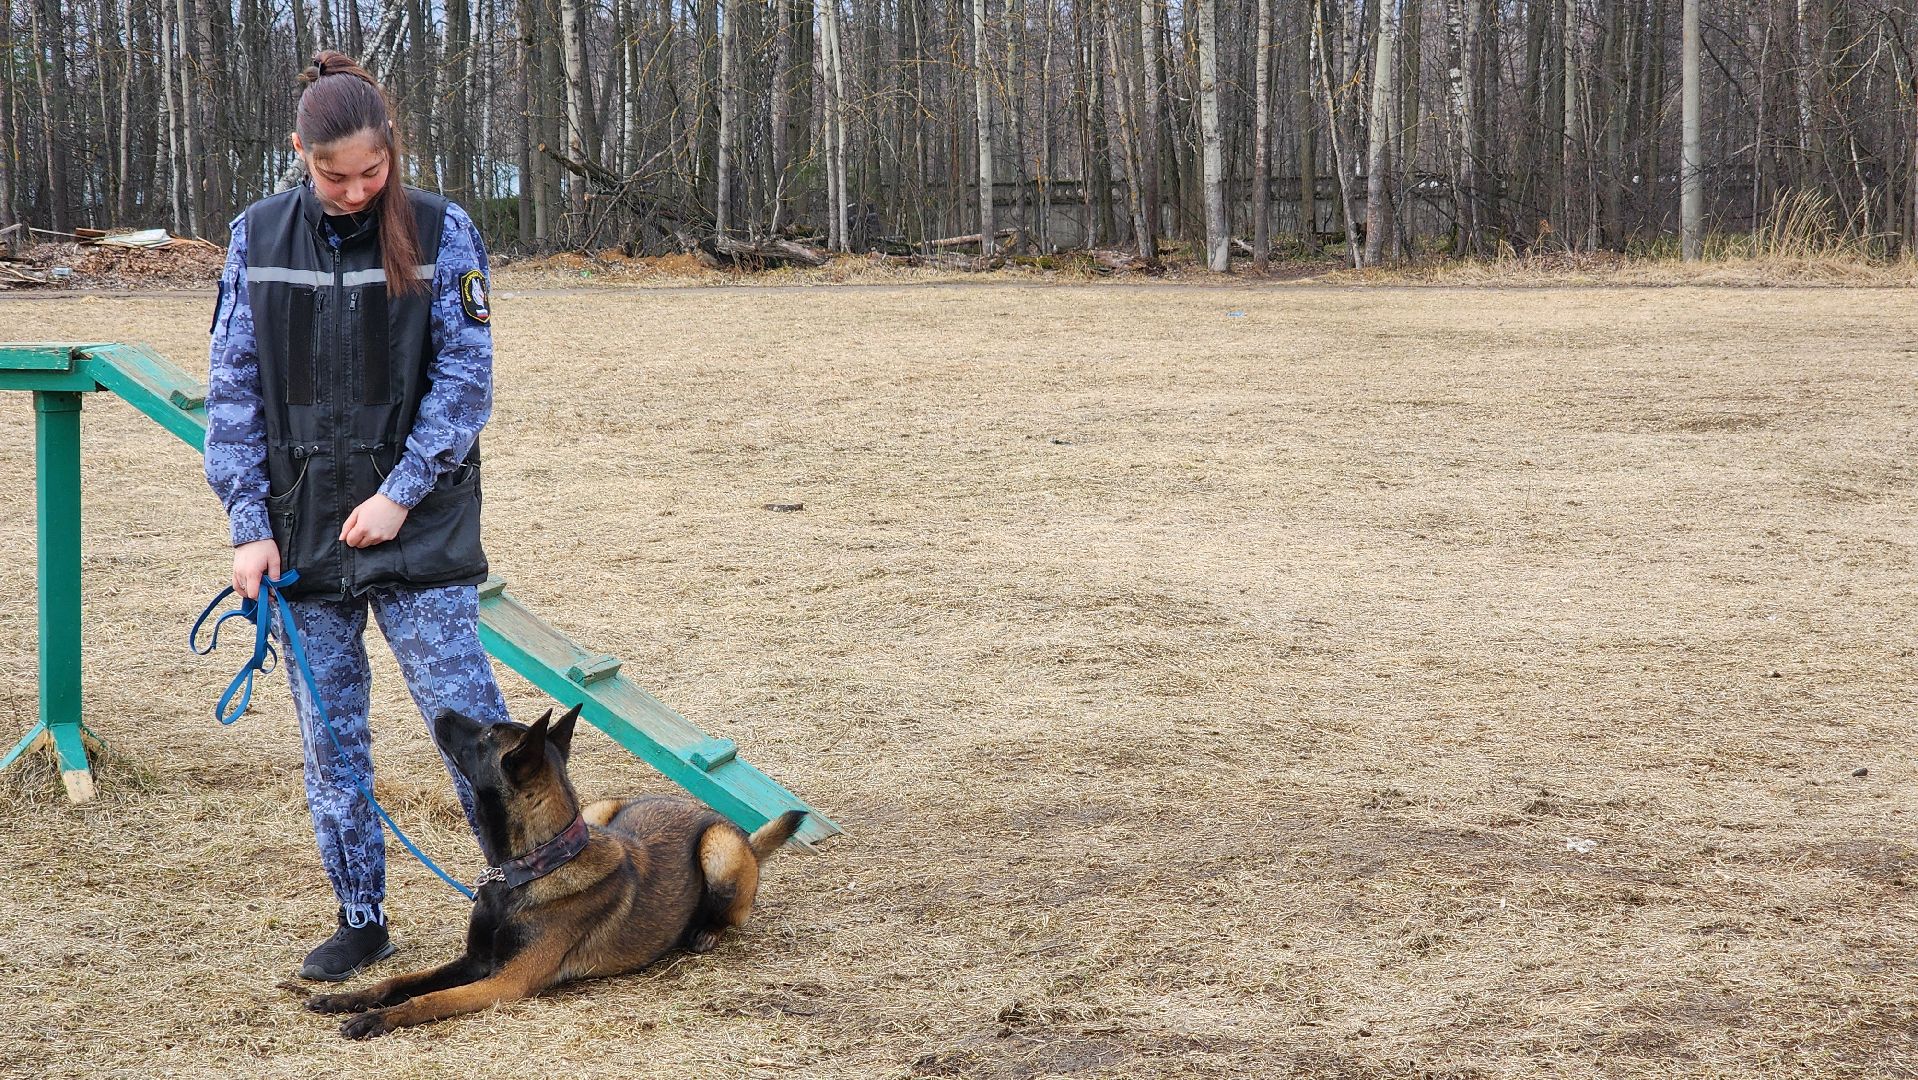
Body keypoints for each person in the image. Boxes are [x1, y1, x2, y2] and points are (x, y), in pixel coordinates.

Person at [203, 50, 509, 982]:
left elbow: (466, 384)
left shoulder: (443, 229)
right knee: (331, 741)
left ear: (392, 152)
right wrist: (248, 525)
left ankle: (534, 902)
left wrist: (399, 494)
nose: (354, 191)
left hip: (418, 527)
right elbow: (232, 394)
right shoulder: (256, 236)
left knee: (475, 728)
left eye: (371, 172)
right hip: (300, 535)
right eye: (334, 176)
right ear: (301, 153)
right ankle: (362, 917)